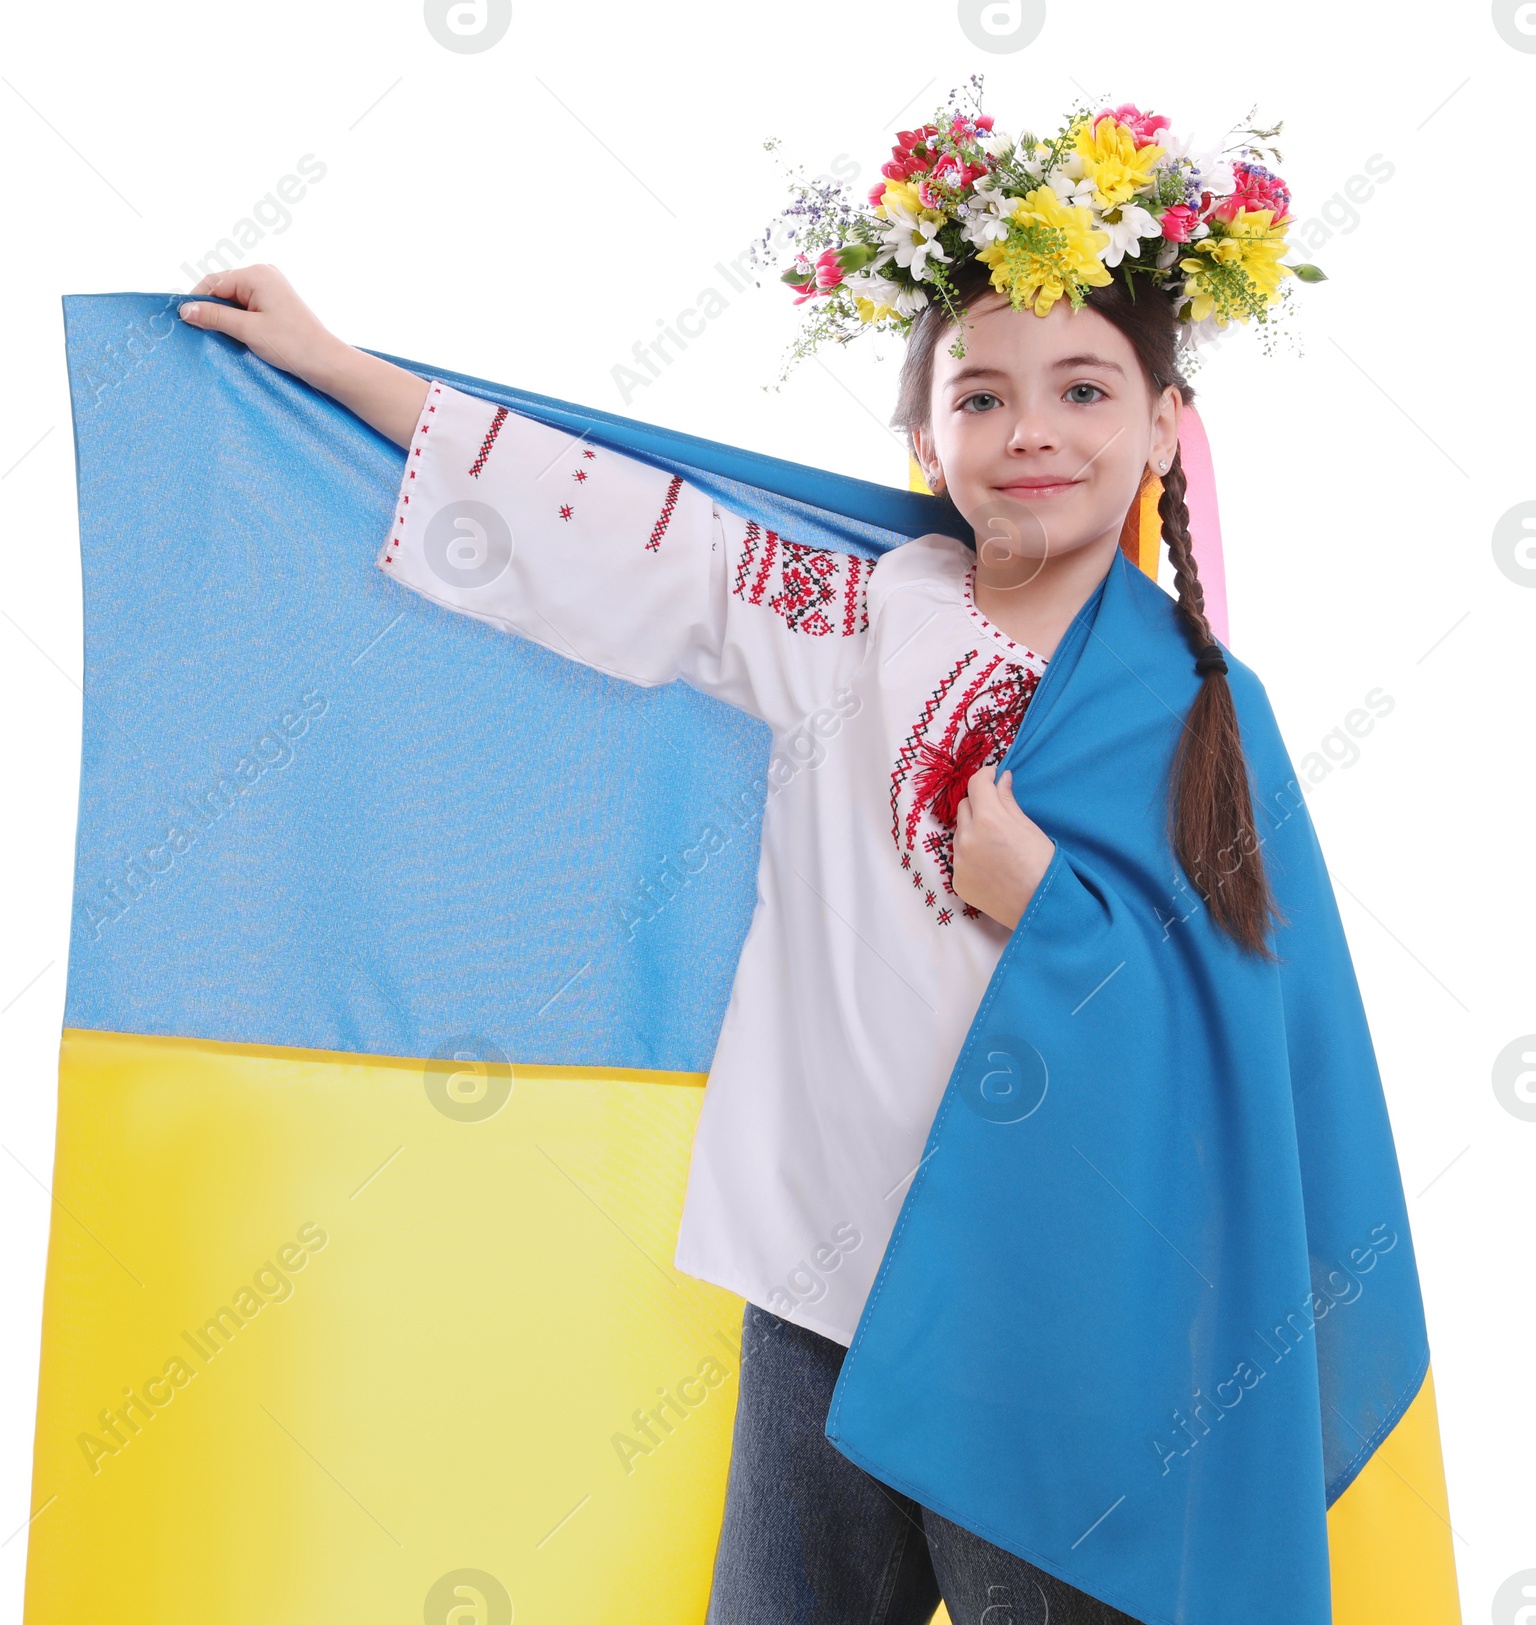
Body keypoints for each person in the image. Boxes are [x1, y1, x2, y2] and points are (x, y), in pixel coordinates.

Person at [174, 99, 1318, 1625]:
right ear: (928, 438)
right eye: (981, 397)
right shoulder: (852, 615)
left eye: (1084, 388)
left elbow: (1242, 1047)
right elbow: (614, 523)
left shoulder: (1199, 710)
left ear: (1167, 424)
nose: (1029, 430)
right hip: (827, 1275)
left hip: (1046, 1318)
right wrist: (337, 367)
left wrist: (1044, 897)